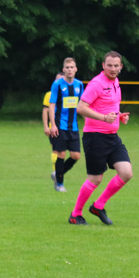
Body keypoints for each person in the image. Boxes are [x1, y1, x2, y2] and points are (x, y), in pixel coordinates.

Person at [69, 51, 132, 225]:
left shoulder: (116, 81)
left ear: (121, 67)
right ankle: (75, 214)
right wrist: (104, 118)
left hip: (113, 138)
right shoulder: (97, 84)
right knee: (95, 179)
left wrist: (119, 117)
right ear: (103, 66)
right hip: (95, 137)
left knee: (126, 173)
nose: (113, 69)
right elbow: (81, 108)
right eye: (109, 65)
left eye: (116, 65)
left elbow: (110, 107)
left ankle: (98, 205)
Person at [48, 59, 84, 192]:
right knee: (61, 153)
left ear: (76, 69)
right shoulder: (57, 84)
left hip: (73, 126)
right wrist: (53, 125)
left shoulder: (79, 85)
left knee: (76, 156)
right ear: (63, 69)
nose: (69, 69)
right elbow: (51, 105)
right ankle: (60, 184)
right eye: (67, 67)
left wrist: (88, 121)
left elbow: (82, 106)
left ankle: (58, 173)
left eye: (72, 67)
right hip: (60, 124)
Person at [42, 73, 63, 186]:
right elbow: (45, 111)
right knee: (56, 150)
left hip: (67, 127)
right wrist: (46, 126)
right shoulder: (49, 94)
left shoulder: (68, 94)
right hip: (54, 127)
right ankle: (56, 172)